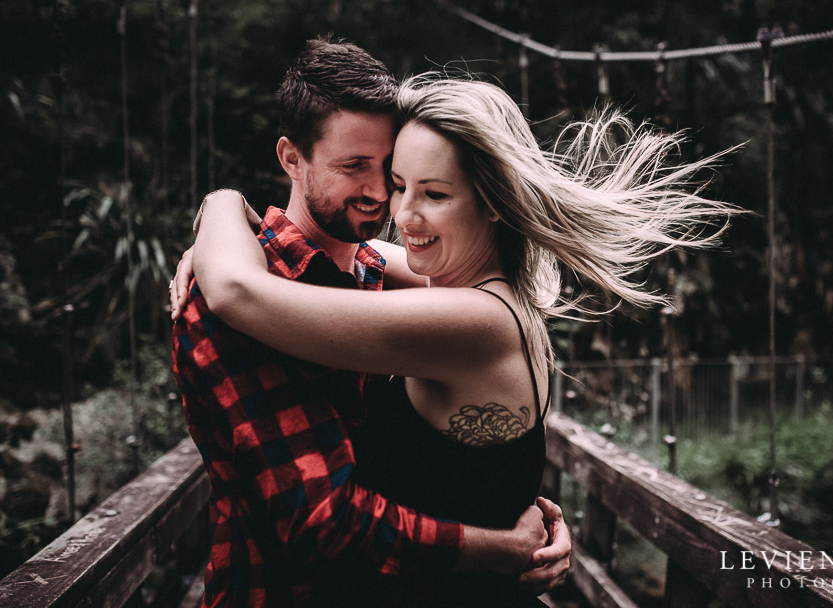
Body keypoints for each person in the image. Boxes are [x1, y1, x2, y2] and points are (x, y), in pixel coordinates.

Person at [181, 73, 738, 604]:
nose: (401, 211)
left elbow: (236, 290)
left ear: (494, 201)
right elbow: (359, 259)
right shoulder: (490, 296)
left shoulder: (470, 322)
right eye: (400, 185)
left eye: (435, 194)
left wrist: (221, 203)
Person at [171, 37, 570, 607]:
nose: (387, 199)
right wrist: (224, 216)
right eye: (356, 167)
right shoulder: (242, 295)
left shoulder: (422, 294)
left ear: (491, 201)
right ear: (291, 158)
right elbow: (324, 521)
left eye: (394, 173)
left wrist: (220, 206)